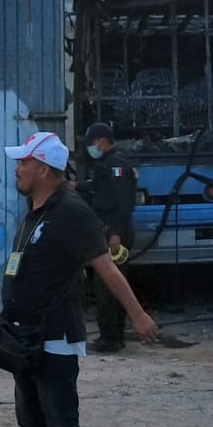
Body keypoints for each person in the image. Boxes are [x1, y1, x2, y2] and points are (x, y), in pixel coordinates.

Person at [0, 131, 159, 427]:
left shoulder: (71, 211)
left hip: (54, 338)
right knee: (31, 424)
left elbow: (106, 269)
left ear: (45, 169)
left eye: (24, 162)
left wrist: (137, 316)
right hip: (24, 338)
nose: (17, 168)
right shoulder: (35, 208)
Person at [75, 121, 137, 352]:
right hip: (110, 228)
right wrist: (76, 186)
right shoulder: (107, 164)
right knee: (112, 284)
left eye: (92, 143)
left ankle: (111, 338)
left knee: (107, 286)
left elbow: (123, 203)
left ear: (102, 141)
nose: (91, 148)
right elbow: (97, 188)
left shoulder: (116, 165)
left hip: (114, 231)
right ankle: (113, 336)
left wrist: (116, 234)